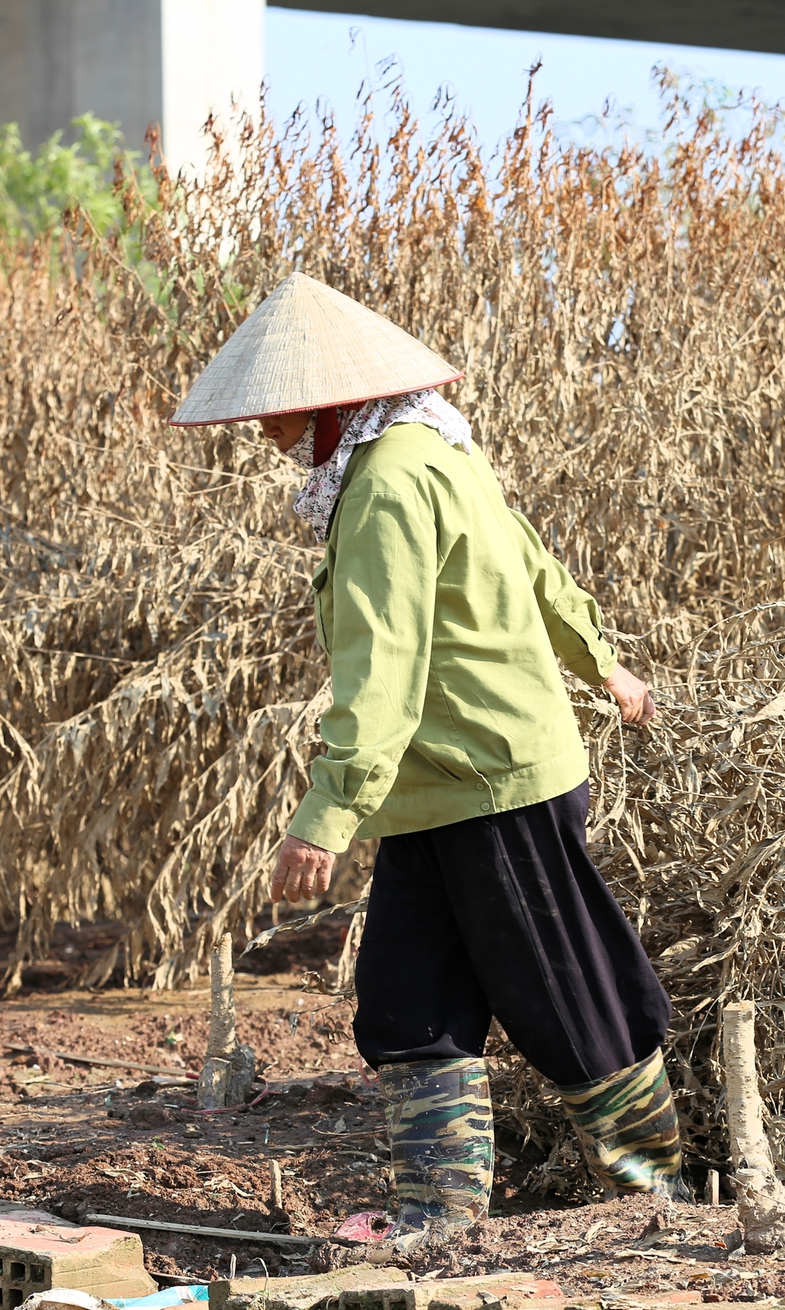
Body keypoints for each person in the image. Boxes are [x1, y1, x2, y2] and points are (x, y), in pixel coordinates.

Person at [171, 272, 684, 1236]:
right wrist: (603, 664)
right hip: (434, 792)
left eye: (275, 415)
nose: (265, 437)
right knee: (408, 1001)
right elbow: (537, 565)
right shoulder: (432, 448)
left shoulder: (387, 487)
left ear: (328, 406)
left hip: (490, 781)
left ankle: (664, 1201)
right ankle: (439, 1220)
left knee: (572, 1003)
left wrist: (325, 816)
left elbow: (385, 672)